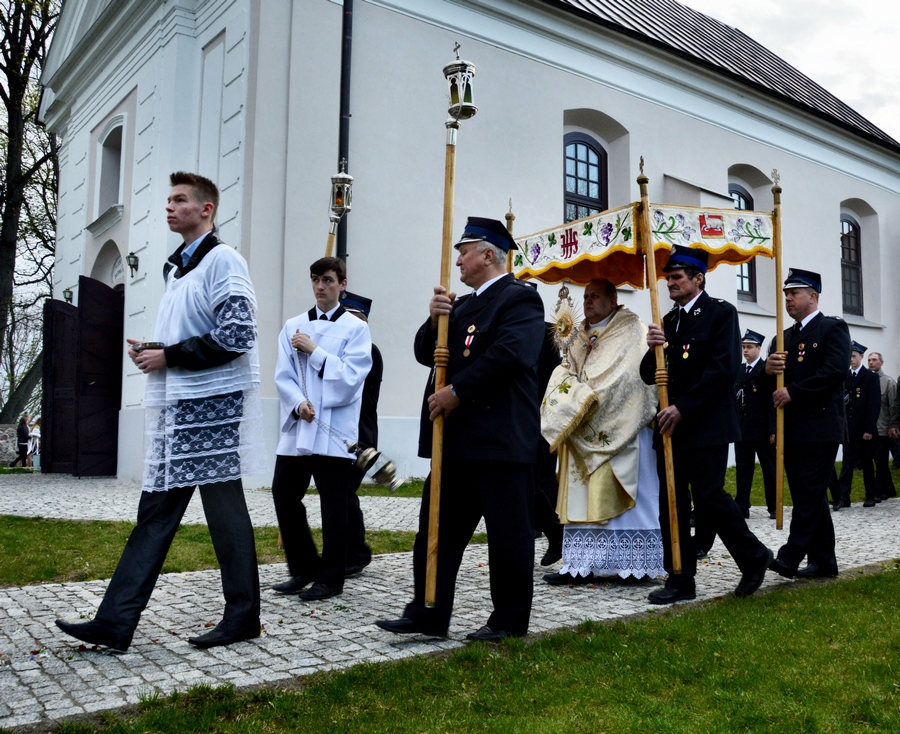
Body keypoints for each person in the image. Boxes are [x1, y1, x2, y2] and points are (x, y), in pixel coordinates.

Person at [56, 171, 266, 651]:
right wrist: (156, 349)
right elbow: (197, 331)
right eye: (168, 200)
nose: (169, 208)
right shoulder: (178, 269)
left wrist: (168, 356)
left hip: (212, 404)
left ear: (206, 209)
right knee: (156, 511)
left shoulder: (224, 260)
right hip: (179, 403)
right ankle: (115, 621)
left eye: (179, 200)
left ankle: (243, 616)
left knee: (223, 510)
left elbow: (237, 335)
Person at [376, 217, 544, 641]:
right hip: (456, 442)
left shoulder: (520, 299)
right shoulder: (462, 304)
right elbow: (425, 354)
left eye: (463, 250)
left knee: (509, 535)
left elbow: (511, 354)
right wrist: (434, 319)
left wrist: (457, 392)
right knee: (436, 530)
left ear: (488, 254)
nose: (458, 260)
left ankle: (508, 620)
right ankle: (428, 610)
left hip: (500, 440)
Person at [639, 245, 772, 604]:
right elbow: (648, 374)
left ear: (698, 278)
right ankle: (680, 578)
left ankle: (753, 557)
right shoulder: (667, 321)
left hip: (706, 423)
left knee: (710, 497)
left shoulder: (720, 314)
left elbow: (723, 370)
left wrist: (682, 408)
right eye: (668, 277)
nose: (670, 283)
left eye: (677, 277)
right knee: (672, 502)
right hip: (671, 427)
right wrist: (653, 347)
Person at [540, 279, 662, 585]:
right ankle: (581, 565)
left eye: (595, 296)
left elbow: (630, 376)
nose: (588, 302)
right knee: (582, 497)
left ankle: (633, 567)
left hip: (623, 427)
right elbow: (566, 369)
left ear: (612, 299)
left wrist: (585, 396)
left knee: (624, 496)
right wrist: (571, 398)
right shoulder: (579, 334)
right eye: (585, 297)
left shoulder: (632, 328)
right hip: (582, 428)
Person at [269, 258, 372, 601]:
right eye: (315, 280)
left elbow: (350, 381)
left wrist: (314, 351)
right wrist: (298, 403)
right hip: (300, 427)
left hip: (334, 430)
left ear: (343, 284)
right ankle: (302, 568)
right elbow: (283, 374)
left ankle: (330, 579)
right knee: (283, 493)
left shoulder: (356, 330)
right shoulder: (293, 326)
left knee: (334, 505)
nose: (320, 286)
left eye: (328, 280)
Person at [765, 268, 849, 579]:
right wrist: (767, 368)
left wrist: (794, 392)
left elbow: (834, 371)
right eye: (786, 294)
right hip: (792, 428)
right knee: (806, 495)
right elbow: (767, 386)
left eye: (794, 293)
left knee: (810, 494)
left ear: (812, 297)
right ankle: (824, 562)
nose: (787, 298)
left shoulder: (832, 329)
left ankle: (789, 557)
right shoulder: (782, 337)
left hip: (821, 426)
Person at [342, 291, 382, 576]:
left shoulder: (368, 351)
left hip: (360, 436)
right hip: (345, 434)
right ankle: (351, 551)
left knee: (343, 491)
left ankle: (356, 553)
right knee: (340, 492)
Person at [832, 342, 880, 509]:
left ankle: (870, 495)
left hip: (864, 428)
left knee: (866, 462)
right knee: (847, 463)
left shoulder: (870, 377)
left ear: (861, 357)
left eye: (854, 356)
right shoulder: (844, 376)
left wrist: (868, 429)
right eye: (849, 356)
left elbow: (874, 405)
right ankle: (844, 497)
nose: (851, 359)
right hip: (848, 428)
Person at [734, 330, 776, 519]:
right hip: (742, 428)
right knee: (743, 469)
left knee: (769, 468)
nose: (746, 351)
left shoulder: (765, 370)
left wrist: (773, 429)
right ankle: (742, 505)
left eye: (750, 347)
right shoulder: (739, 370)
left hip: (762, 428)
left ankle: (774, 505)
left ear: (759, 348)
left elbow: (771, 402)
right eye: (743, 347)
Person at [866, 351, 895, 501]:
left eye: (875, 360)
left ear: (881, 363)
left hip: (883, 428)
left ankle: (878, 492)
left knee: (881, 461)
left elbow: (893, 406)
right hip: (869, 429)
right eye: (869, 360)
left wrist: (893, 426)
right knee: (873, 461)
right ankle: (889, 489)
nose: (871, 363)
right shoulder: (865, 380)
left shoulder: (888, 382)